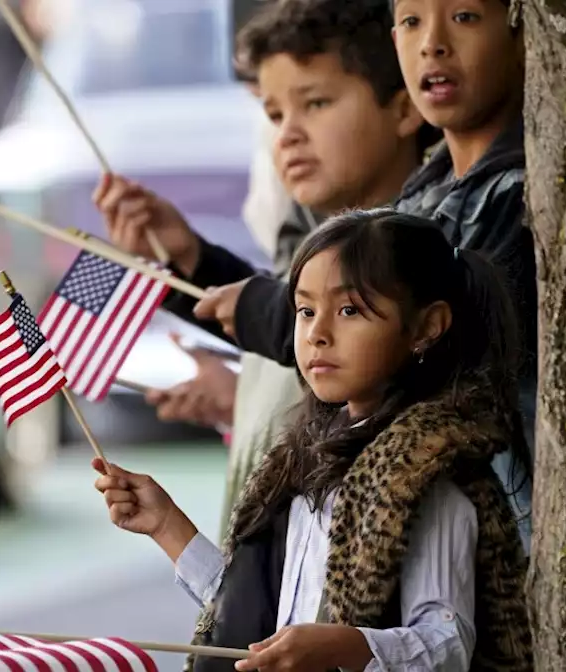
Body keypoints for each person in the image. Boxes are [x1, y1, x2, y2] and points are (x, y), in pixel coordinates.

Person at [93, 211, 534, 672]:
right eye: (305, 310)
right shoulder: (304, 458)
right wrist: (167, 525)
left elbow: (445, 642)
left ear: (426, 327)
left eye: (349, 310)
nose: (317, 334)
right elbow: (259, 612)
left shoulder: (424, 472)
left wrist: (349, 647)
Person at [188, 0, 536, 551]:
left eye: (465, 16)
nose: (433, 44)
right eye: (412, 22)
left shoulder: (520, 196)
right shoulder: (423, 193)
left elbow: (426, 336)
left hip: (495, 535)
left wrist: (264, 312)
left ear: (522, 32)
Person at [92, 0, 435, 528]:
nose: (288, 134)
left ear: (404, 107)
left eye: (316, 103)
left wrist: (256, 306)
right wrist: (187, 257)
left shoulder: (437, 244)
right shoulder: (307, 237)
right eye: (274, 114)